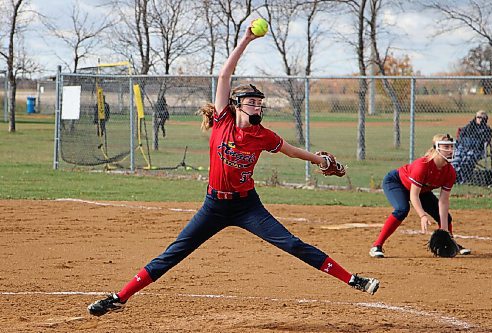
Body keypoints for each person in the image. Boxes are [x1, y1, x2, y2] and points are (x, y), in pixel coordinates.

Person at [88, 23, 380, 317]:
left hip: (247, 206)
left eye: (260, 104)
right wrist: (246, 40)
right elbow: (224, 75)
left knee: (292, 244)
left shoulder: (264, 135)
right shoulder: (222, 119)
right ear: (237, 105)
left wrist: (320, 161)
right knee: (173, 253)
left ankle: (353, 279)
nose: (257, 107)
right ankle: (119, 298)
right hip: (213, 206)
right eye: (252, 103)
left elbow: (292, 151)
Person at [369, 134, 471, 259]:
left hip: (422, 190)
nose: (450, 150)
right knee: (402, 209)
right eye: (446, 147)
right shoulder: (423, 165)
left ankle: (450, 242)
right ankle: (377, 246)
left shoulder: (450, 172)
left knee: (446, 217)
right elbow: (414, 195)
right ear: (437, 148)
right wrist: (422, 215)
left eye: (451, 147)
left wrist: (444, 233)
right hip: (397, 183)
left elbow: (443, 202)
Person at [452, 110, 492, 184]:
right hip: (463, 148)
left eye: (483, 118)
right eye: (478, 117)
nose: (480, 119)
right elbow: (460, 138)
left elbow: (484, 142)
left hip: (476, 150)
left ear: (486, 119)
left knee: (467, 160)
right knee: (456, 161)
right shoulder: (468, 127)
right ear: (475, 117)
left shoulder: (487, 130)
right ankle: (455, 178)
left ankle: (463, 180)